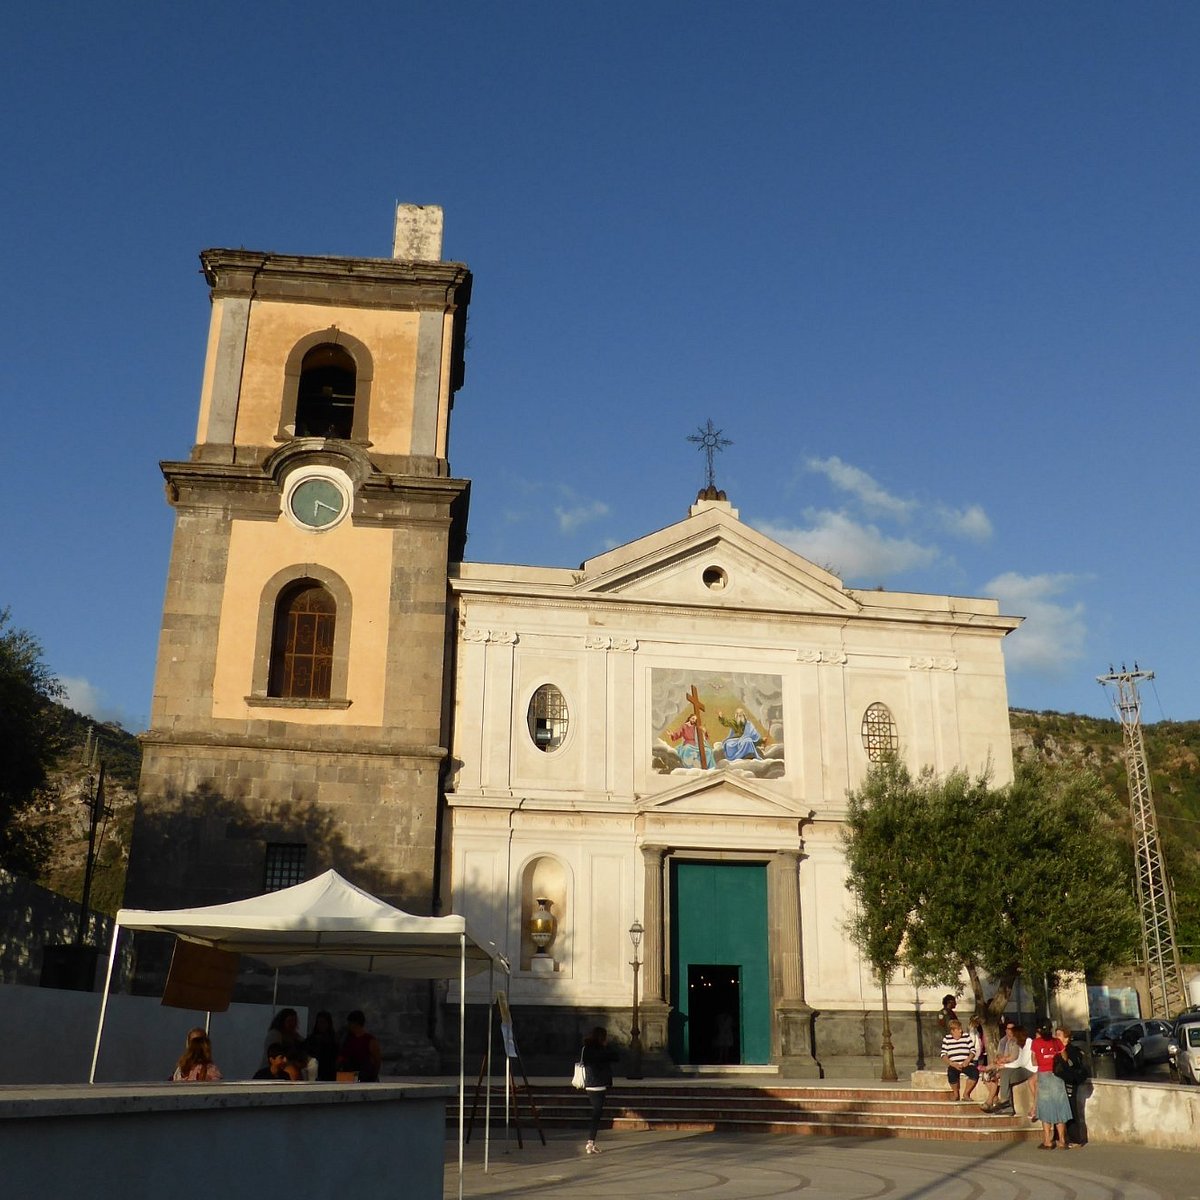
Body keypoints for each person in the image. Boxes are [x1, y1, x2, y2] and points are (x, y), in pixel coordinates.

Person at [1031, 1023, 1073, 1149]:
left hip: (1043, 1075)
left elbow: (1033, 1060)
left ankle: (1047, 1141)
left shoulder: (1036, 1043)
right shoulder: (1056, 1042)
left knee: (1045, 1107)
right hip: (1057, 1076)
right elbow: (1065, 1057)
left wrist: (1042, 1059)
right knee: (1060, 1106)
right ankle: (1062, 1140)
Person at [580, 1026, 619, 1155]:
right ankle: (590, 1142)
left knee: (596, 1111)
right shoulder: (602, 1050)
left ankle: (591, 1142)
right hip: (599, 1083)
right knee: (597, 1113)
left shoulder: (586, 1049)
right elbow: (616, 1057)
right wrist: (607, 1046)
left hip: (589, 1083)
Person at [987, 1024, 1034, 1115]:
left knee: (1005, 1075)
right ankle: (1007, 1105)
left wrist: (1005, 1066)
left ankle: (1005, 1103)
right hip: (1020, 1068)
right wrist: (1003, 1066)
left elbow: (1022, 1062)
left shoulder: (1028, 1042)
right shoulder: (1019, 1043)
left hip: (1029, 1069)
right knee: (1005, 1075)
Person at [1055, 1025, 1089, 1146]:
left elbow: (1071, 1067)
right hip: (1058, 1084)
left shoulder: (1071, 1051)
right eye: (1056, 1034)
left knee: (1071, 1109)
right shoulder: (1056, 1050)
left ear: (1066, 1038)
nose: (1056, 1037)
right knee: (1058, 1110)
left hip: (1069, 1083)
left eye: (1059, 1035)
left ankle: (1075, 1139)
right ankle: (1060, 1137)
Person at [938, 1018, 979, 1101]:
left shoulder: (966, 1036)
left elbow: (973, 1050)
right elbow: (943, 1054)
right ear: (953, 1031)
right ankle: (955, 1094)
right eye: (958, 1029)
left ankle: (966, 1094)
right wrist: (951, 1063)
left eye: (961, 1029)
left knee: (974, 1072)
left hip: (966, 1063)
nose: (961, 1031)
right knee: (951, 1073)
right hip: (954, 1064)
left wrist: (967, 1060)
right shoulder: (947, 1039)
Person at [339, 1010, 382, 1082]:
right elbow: (343, 1055)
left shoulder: (370, 1040)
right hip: (349, 1076)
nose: (348, 1025)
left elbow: (377, 1061)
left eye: (350, 1023)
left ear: (355, 1023)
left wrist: (373, 1076)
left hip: (365, 1076)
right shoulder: (348, 1039)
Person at [306, 1010, 339, 1081]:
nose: (321, 1025)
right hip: (313, 1071)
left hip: (329, 1073)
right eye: (319, 1022)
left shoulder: (334, 1040)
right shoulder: (311, 1039)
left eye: (323, 1022)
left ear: (328, 1024)